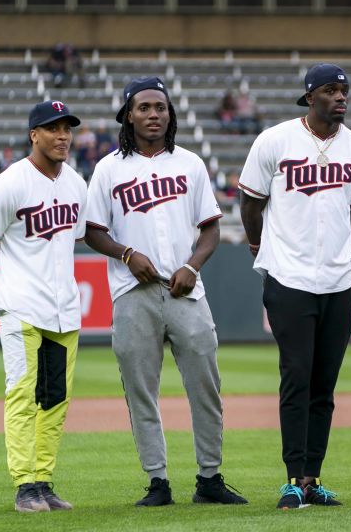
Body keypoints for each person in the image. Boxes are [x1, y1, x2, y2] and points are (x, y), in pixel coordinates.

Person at [83, 77, 246, 508]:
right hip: (131, 292)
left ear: (170, 114)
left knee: (206, 387)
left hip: (185, 291)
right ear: (128, 115)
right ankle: (157, 481)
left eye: (161, 107)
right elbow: (93, 232)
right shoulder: (108, 168)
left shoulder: (190, 164)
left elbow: (211, 227)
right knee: (141, 391)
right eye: (144, 107)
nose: (153, 114)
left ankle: (209, 478)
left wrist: (193, 265)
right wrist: (126, 254)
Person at [238, 64, 351, 509]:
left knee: (324, 383)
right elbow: (250, 202)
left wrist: (332, 245)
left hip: (339, 279)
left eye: (344, 90)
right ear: (310, 96)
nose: (340, 97)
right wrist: (261, 245)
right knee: (296, 375)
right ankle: (292, 478)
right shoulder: (275, 141)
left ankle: (313, 478)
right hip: (289, 276)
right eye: (331, 90)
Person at [0, 100, 88, 513]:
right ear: (33, 135)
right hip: (19, 305)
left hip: (64, 308)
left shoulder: (75, 183)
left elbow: (70, 238)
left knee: (55, 398)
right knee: (22, 393)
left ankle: (44, 480)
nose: (62, 136)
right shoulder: (9, 183)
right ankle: (24, 485)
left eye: (67, 128)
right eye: (52, 128)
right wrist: (12, 276)